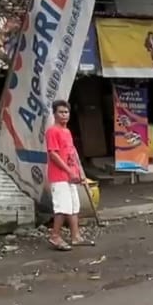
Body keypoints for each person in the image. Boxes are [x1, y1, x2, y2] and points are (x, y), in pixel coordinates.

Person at [45, 100, 91, 251]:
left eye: (66, 112)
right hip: (59, 176)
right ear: (54, 113)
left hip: (70, 175)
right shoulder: (52, 131)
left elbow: (72, 154)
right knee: (62, 207)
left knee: (73, 206)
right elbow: (53, 154)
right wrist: (68, 170)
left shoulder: (67, 132)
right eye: (61, 112)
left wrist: (79, 173)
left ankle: (75, 236)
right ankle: (55, 236)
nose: (64, 115)